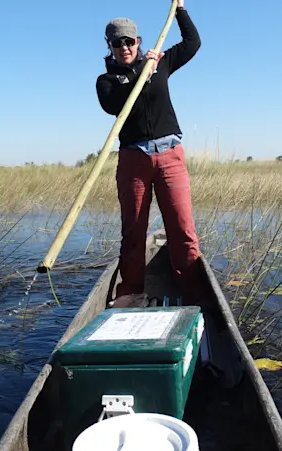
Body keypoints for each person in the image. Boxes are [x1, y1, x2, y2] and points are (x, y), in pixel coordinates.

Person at [96, 1, 202, 305]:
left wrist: (180, 10)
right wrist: (141, 72)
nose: (124, 47)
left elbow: (193, 43)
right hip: (133, 161)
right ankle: (130, 294)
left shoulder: (162, 62)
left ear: (137, 42)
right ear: (110, 46)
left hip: (170, 156)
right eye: (118, 43)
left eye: (129, 41)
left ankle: (194, 297)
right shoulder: (107, 81)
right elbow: (113, 104)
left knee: (183, 229)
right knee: (133, 232)